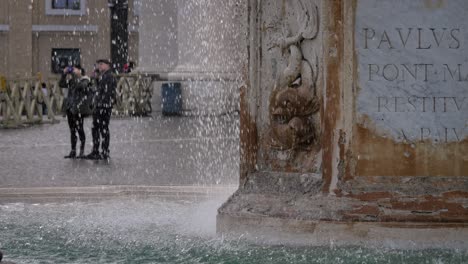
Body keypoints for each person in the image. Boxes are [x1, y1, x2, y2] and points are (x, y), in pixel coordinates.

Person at [84, 59, 117, 160]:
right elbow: (99, 90)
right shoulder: (103, 76)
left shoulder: (109, 76)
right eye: (99, 65)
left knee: (102, 128)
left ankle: (103, 151)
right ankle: (97, 150)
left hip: (103, 106)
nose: (100, 66)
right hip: (101, 106)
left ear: (108, 65)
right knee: (97, 128)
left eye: (102, 64)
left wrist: (101, 104)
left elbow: (107, 93)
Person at [59, 64, 91, 159]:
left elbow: (80, 87)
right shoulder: (72, 80)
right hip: (70, 108)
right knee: (72, 130)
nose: (73, 71)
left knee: (80, 129)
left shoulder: (85, 80)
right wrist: (64, 74)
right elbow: (61, 84)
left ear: (80, 71)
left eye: (75, 69)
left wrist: (75, 75)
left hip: (78, 109)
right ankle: (73, 151)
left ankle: (81, 151)